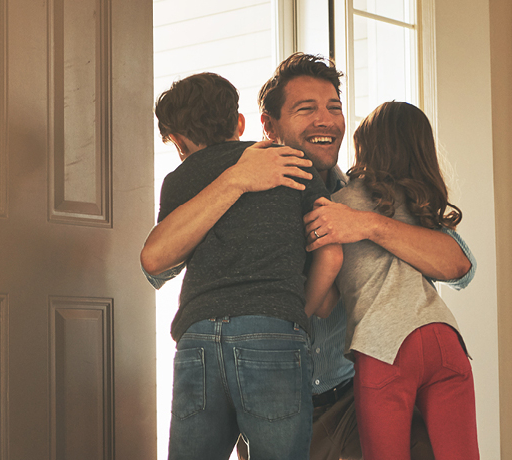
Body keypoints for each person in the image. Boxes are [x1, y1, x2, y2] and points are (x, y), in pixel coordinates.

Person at [143, 53, 476, 460]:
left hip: (354, 402)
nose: (326, 120)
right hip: (279, 403)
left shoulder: (372, 194)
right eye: (306, 109)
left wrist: (366, 225)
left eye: (334, 108)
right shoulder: (234, 182)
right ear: (268, 126)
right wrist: (237, 180)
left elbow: (459, 265)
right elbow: (157, 264)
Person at [143, 71, 344, 460]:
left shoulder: (178, 179)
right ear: (240, 123)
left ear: (178, 141)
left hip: (197, 337)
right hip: (273, 334)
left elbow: (158, 258)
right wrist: (293, 313)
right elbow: (332, 253)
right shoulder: (291, 161)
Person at [329, 101, 478, 459]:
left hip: (384, 345)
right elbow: (463, 266)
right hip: (444, 336)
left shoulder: (339, 203)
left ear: (367, 146)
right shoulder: (422, 206)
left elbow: (462, 266)